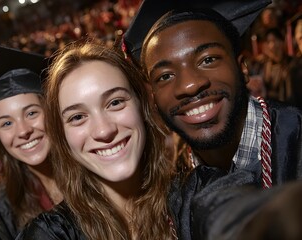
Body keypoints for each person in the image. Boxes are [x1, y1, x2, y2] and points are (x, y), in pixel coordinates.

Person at [122, 0, 302, 238]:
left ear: (243, 68)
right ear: (153, 98)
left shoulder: (296, 140)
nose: (189, 84)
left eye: (207, 59)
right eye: (165, 75)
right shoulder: (172, 194)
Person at [16, 40, 182, 240]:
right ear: (62, 136)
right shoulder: (51, 234)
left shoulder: (195, 198)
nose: (104, 131)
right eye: (77, 117)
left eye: (115, 102)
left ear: (142, 106)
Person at [0, 45, 62, 239]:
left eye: (31, 113)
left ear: (51, 111)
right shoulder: (0, 207)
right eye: (6, 123)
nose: (23, 131)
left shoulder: (95, 170)